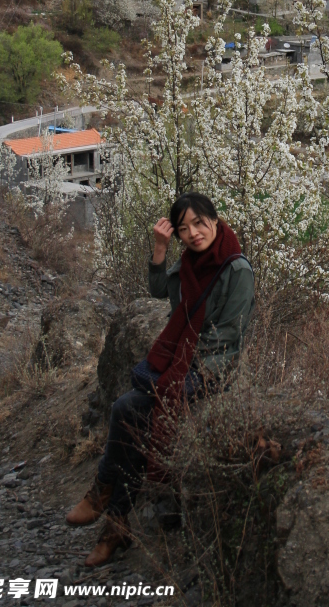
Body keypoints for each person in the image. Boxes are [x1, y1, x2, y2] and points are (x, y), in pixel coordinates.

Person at [66, 193, 255, 567]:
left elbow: (227, 337)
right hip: (183, 364)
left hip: (213, 369)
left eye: (200, 223)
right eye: (184, 229)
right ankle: (113, 518)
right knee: (129, 410)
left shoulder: (237, 270)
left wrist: (178, 368)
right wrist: (159, 247)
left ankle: (108, 504)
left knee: (130, 409)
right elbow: (157, 291)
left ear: (216, 220)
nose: (194, 233)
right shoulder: (188, 262)